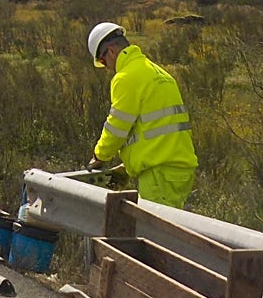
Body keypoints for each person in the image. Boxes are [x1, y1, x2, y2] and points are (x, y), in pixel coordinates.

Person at [85, 22, 198, 208]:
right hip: (177, 170)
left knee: (154, 226)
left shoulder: (126, 77)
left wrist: (100, 156)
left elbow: (117, 127)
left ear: (111, 51)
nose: (107, 67)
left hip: (159, 174)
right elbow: (155, 131)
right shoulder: (158, 72)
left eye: (103, 61)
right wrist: (127, 167)